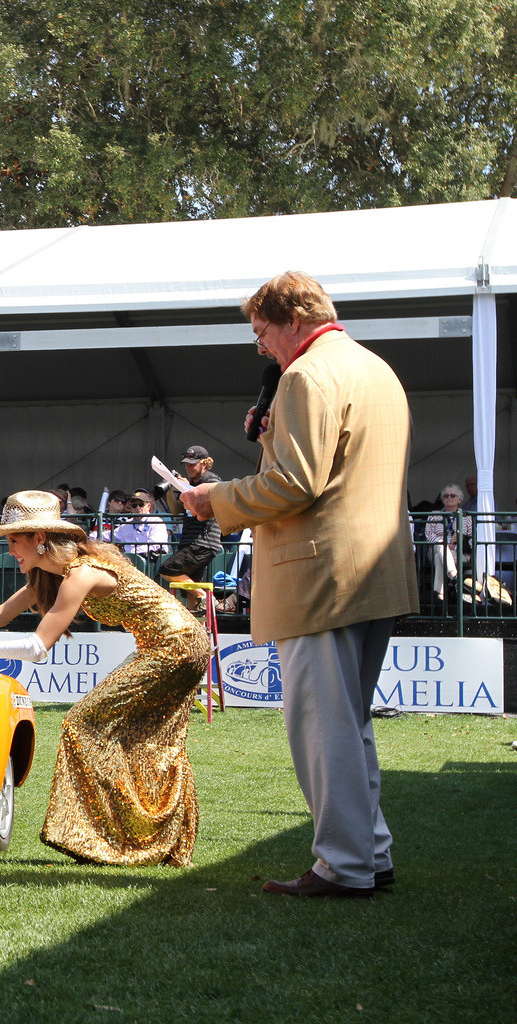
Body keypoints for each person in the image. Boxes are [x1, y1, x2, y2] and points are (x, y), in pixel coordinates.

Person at [182, 270, 417, 897]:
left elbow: (296, 484)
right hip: (376, 572)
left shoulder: (306, 376)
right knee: (350, 721)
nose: (260, 346)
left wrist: (215, 498)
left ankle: (343, 866)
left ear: (293, 320)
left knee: (323, 726)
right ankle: (369, 854)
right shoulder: (375, 370)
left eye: (262, 332)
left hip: (321, 577)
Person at [0, 490, 211, 866]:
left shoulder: (81, 572)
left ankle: (105, 839)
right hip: (168, 644)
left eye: (14, 540)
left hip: (177, 646)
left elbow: (37, 647)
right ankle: (140, 840)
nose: (10, 550)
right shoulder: (52, 573)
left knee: (82, 723)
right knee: (142, 742)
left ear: (39, 539)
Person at [160, 445, 223, 608]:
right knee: (190, 590)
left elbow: (207, 503)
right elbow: (175, 510)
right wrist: (172, 487)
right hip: (190, 542)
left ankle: (207, 598)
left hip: (203, 542)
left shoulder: (212, 481)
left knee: (167, 569)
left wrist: (187, 488)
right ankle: (197, 630)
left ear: (204, 463)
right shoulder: (190, 484)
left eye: (192, 464)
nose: (188, 467)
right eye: (186, 464)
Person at [423, 483, 473, 601]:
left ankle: (439, 591)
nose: (449, 498)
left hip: (458, 552)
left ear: (459, 499)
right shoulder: (434, 515)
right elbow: (428, 534)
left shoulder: (466, 517)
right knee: (440, 545)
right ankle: (453, 574)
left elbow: (472, 538)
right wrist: (447, 543)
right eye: (446, 496)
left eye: (452, 495)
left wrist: (460, 540)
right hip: (435, 548)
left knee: (439, 557)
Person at [113, 488, 171, 555]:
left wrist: (132, 553)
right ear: (131, 508)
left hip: (150, 559)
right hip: (129, 559)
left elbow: (154, 546)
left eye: (141, 504)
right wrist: (98, 534)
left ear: (148, 506)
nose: (138, 508)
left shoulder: (156, 522)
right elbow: (110, 535)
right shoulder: (127, 524)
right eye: (134, 505)